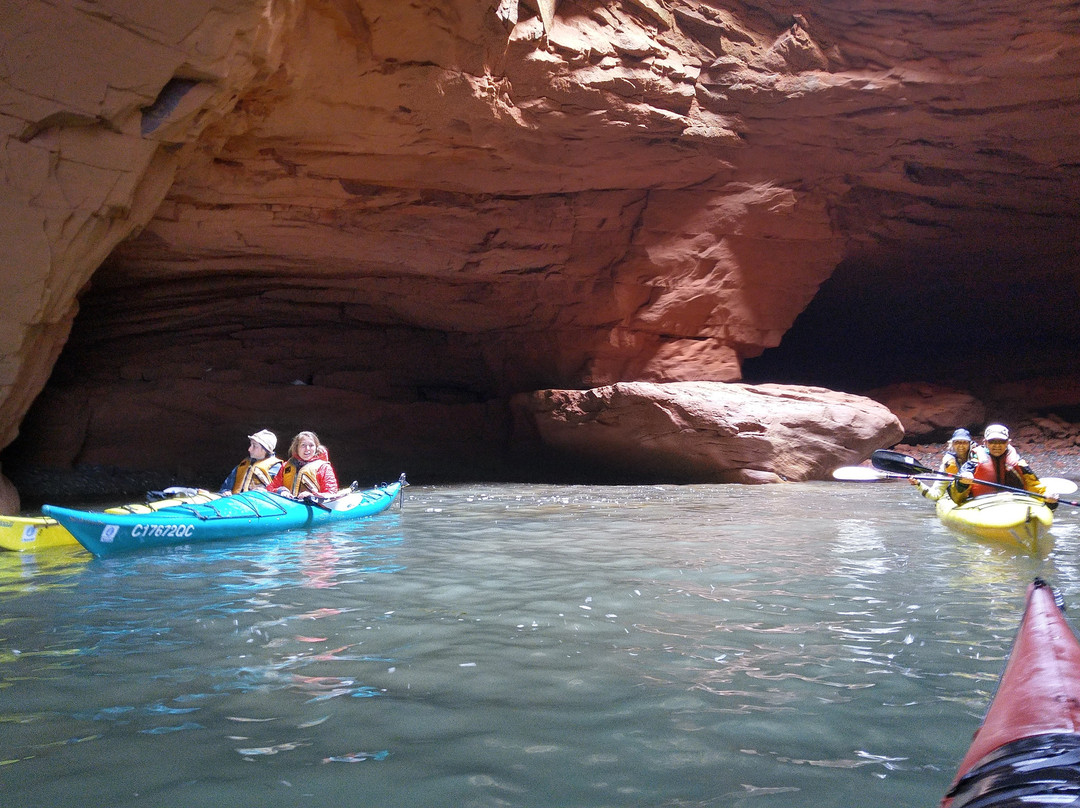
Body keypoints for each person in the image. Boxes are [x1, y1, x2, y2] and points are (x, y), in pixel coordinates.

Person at [947, 423, 1057, 508]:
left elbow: (1035, 486)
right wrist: (962, 483)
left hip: (1015, 503)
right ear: (985, 443)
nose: (997, 446)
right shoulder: (973, 463)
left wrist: (1048, 496)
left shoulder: (1019, 463)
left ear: (1008, 443)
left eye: (1001, 442)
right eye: (992, 442)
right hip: (983, 505)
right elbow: (956, 497)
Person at [910, 428, 976, 501]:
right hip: (959, 495)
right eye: (957, 442)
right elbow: (936, 494)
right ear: (952, 444)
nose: (961, 446)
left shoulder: (977, 457)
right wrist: (917, 483)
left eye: (964, 442)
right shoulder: (948, 463)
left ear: (970, 444)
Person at [269, 430, 339, 498]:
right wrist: (281, 491)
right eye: (303, 445)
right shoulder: (285, 466)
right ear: (297, 448)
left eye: (311, 445)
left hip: (312, 507)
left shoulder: (324, 468)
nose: (307, 449)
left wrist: (312, 496)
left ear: (316, 448)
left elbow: (331, 494)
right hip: (288, 507)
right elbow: (271, 488)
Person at [219, 429, 282, 495]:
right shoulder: (243, 465)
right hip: (237, 502)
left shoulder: (277, 468)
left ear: (266, 450)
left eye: (254, 446)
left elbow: (280, 492)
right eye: (251, 445)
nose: (249, 449)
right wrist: (225, 491)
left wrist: (266, 491)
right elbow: (225, 487)